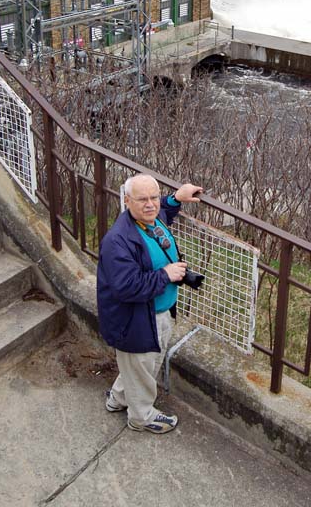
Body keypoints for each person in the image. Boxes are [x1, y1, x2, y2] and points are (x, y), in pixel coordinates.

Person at [97, 173, 203, 434]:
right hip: (137, 320)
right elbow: (126, 287)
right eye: (142, 199)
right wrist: (166, 274)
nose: (150, 204)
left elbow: (163, 211)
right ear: (127, 201)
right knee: (145, 366)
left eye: (154, 197)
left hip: (157, 312)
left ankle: (118, 399)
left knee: (138, 366)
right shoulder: (117, 241)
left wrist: (176, 197)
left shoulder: (151, 222)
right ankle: (141, 417)